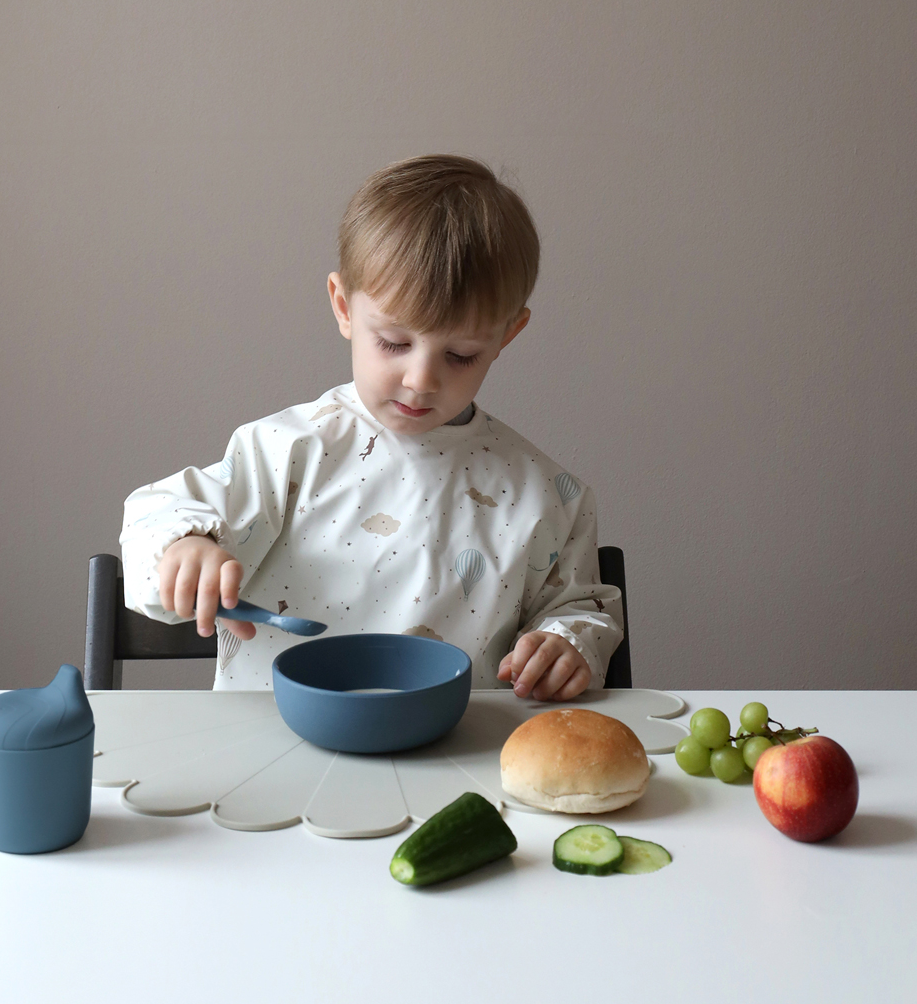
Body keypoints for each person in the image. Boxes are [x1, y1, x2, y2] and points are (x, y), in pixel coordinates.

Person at [120, 154, 623, 700]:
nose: (420, 379)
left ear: (507, 335)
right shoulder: (284, 452)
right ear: (343, 307)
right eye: (393, 343)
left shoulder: (549, 497)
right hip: (276, 752)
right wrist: (187, 548)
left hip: (455, 761)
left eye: (459, 355)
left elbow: (581, 609)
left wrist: (565, 644)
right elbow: (156, 513)